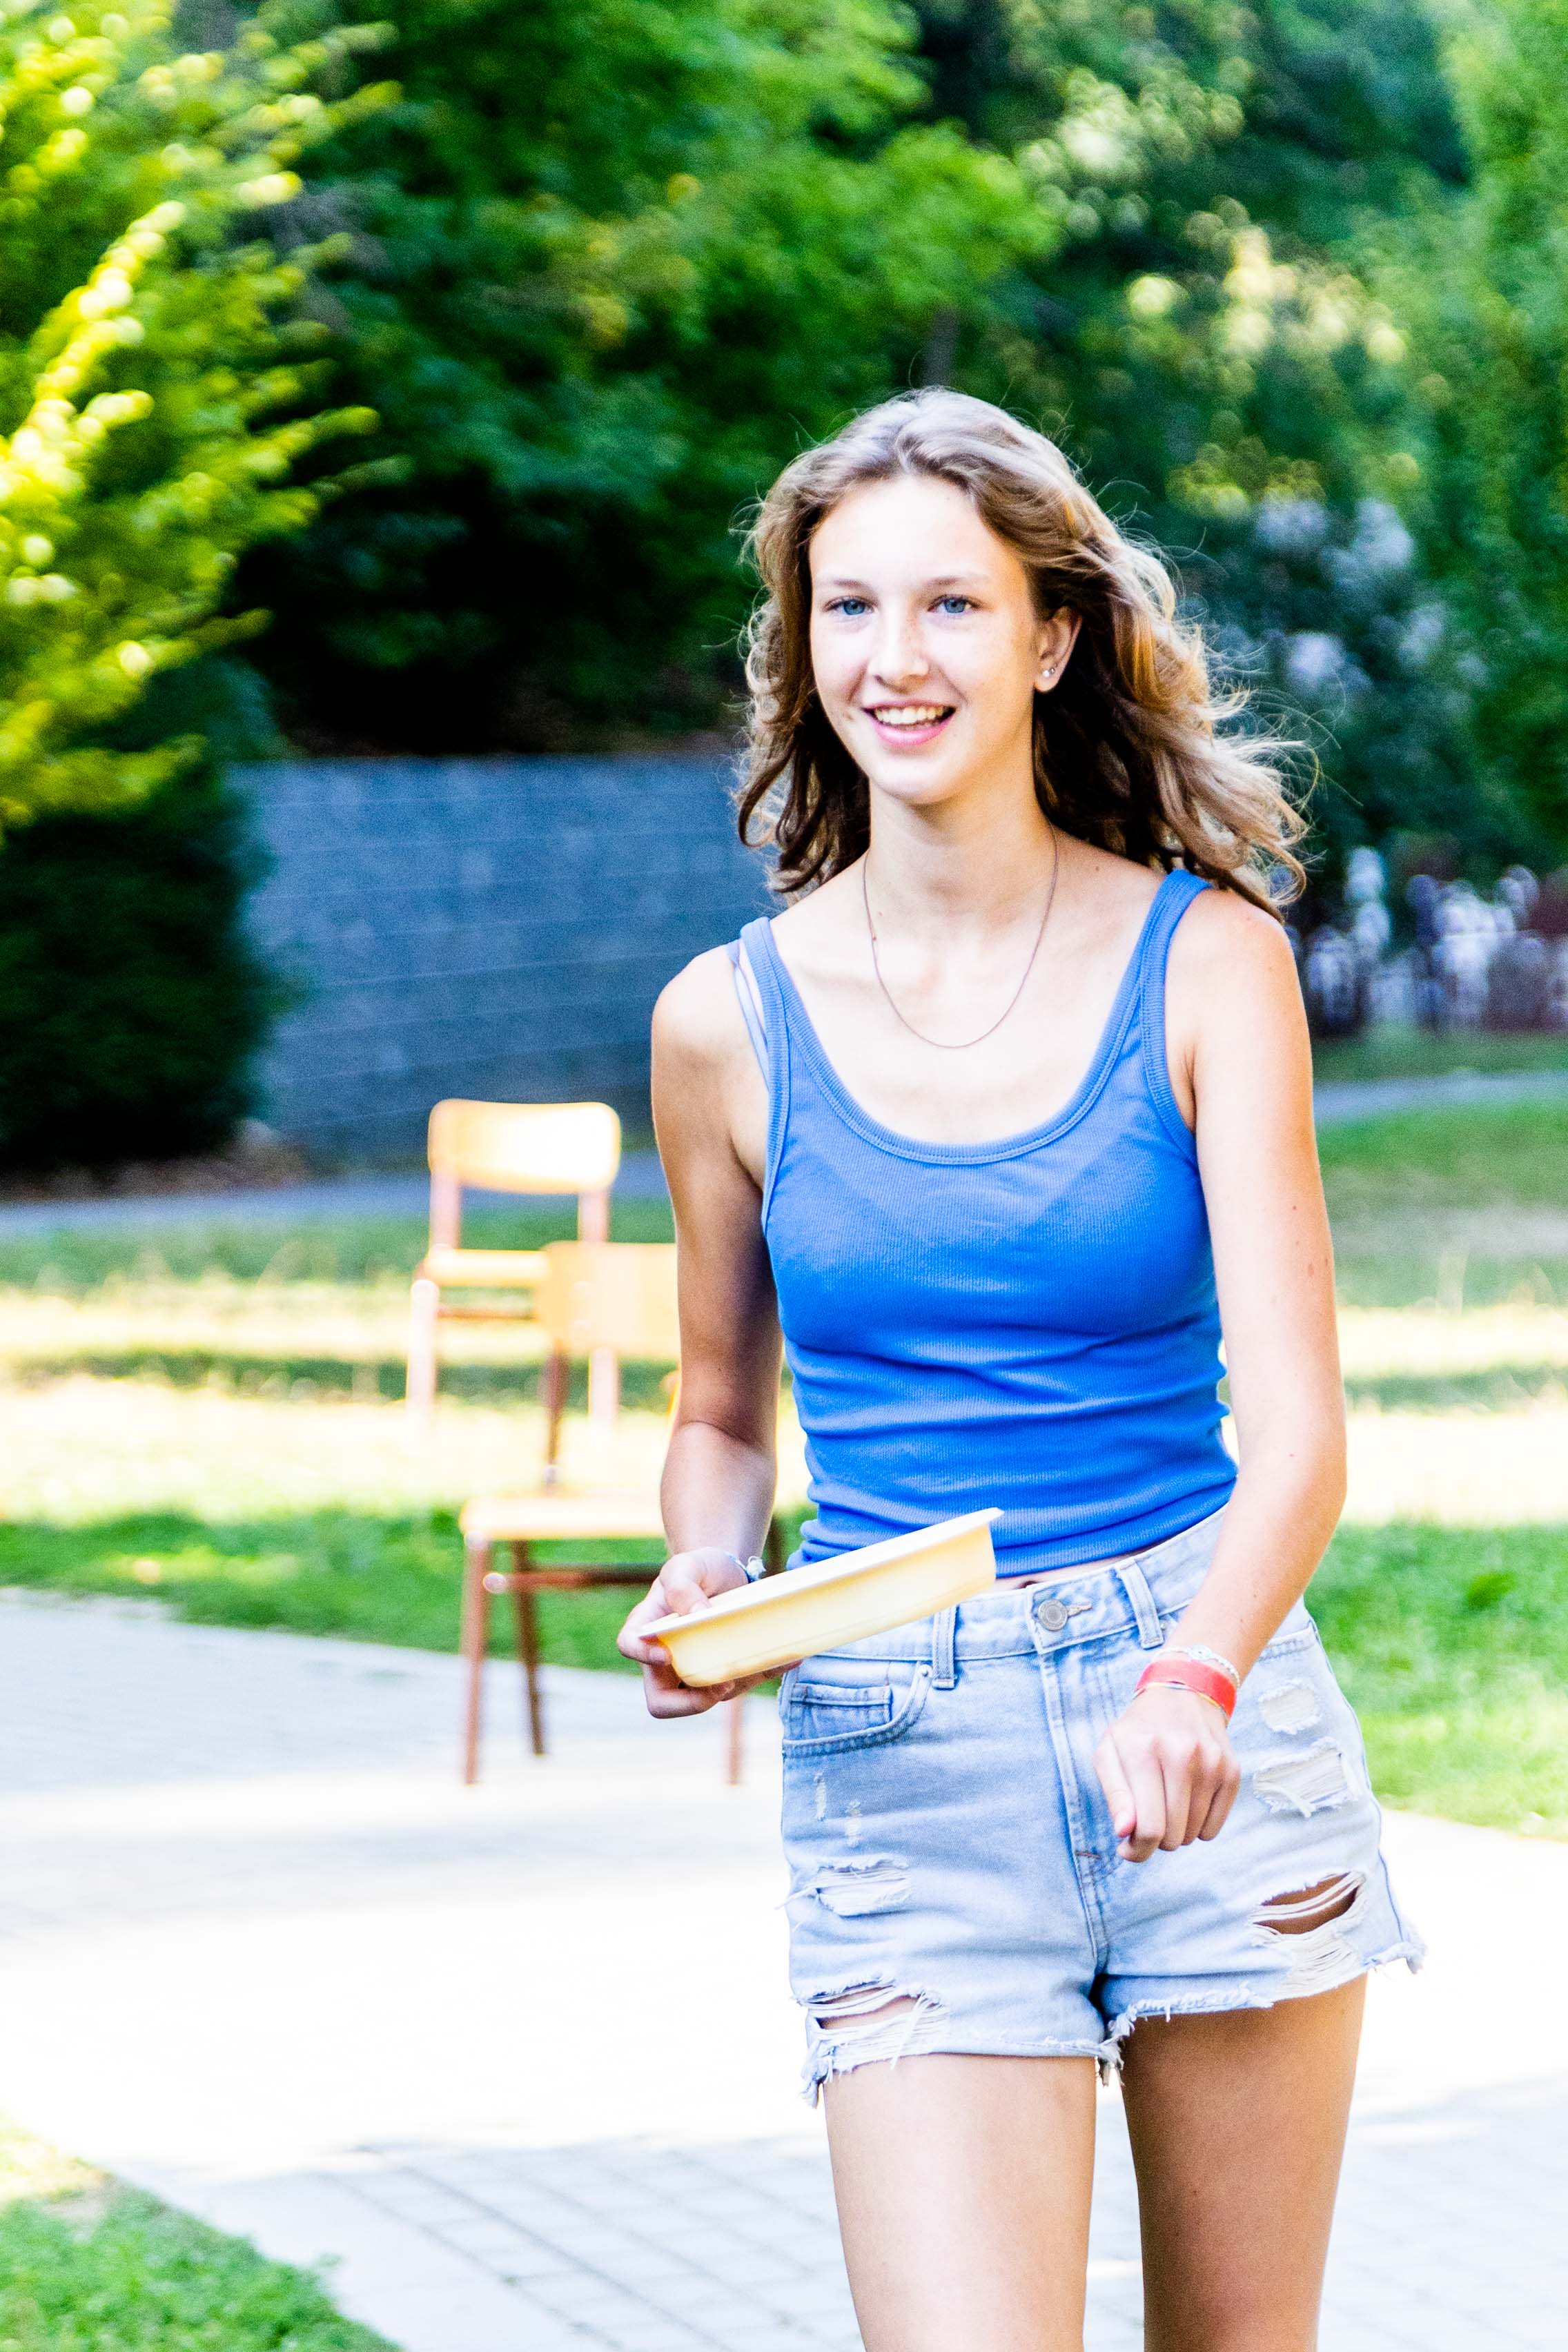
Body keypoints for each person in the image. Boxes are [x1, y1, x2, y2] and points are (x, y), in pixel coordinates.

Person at [618, 389, 1421, 2352]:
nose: (894, 658)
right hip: (906, 1741)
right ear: (802, 646)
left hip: (1203, 1707)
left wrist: (1197, 1672)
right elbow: (720, 1413)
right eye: (849, 607)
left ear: (1053, 637)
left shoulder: (1207, 962)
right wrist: (707, 1566)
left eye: (952, 606)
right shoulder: (724, 1024)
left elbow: (1300, 1433)